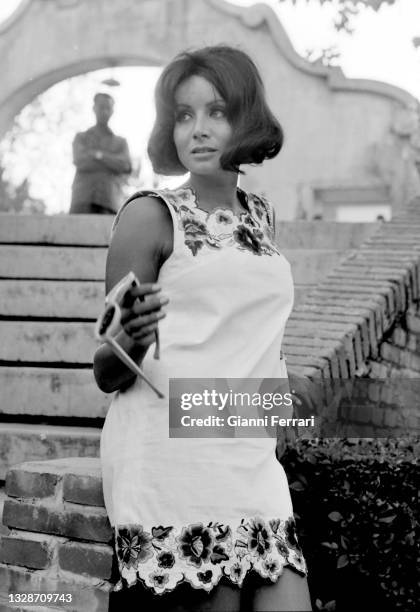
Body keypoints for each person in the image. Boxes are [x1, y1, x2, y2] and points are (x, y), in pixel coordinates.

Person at [94, 45, 312, 612]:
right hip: (175, 461)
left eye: (216, 111)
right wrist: (133, 336)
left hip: (249, 455)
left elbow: (260, 338)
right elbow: (106, 369)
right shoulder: (149, 216)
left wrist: (278, 413)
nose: (199, 129)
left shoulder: (260, 216)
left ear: (247, 118)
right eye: (184, 115)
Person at [69, 92, 132, 214]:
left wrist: (98, 155)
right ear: (94, 108)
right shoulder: (81, 137)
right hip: (82, 201)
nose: (104, 111)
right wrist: (111, 163)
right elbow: (81, 161)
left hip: (109, 202)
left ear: (112, 111)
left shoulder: (120, 142)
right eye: (101, 107)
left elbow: (125, 166)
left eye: (108, 108)